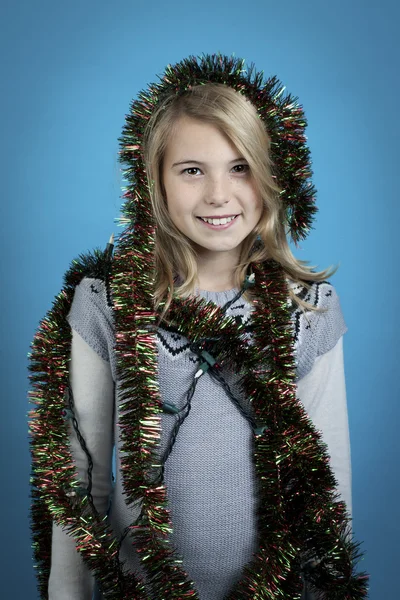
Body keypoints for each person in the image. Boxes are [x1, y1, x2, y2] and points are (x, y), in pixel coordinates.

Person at [28, 54, 368, 600]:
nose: (217, 194)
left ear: (271, 176)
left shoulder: (307, 310)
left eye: (240, 167)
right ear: (154, 183)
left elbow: (329, 484)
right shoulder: (109, 304)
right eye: (191, 170)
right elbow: (81, 479)